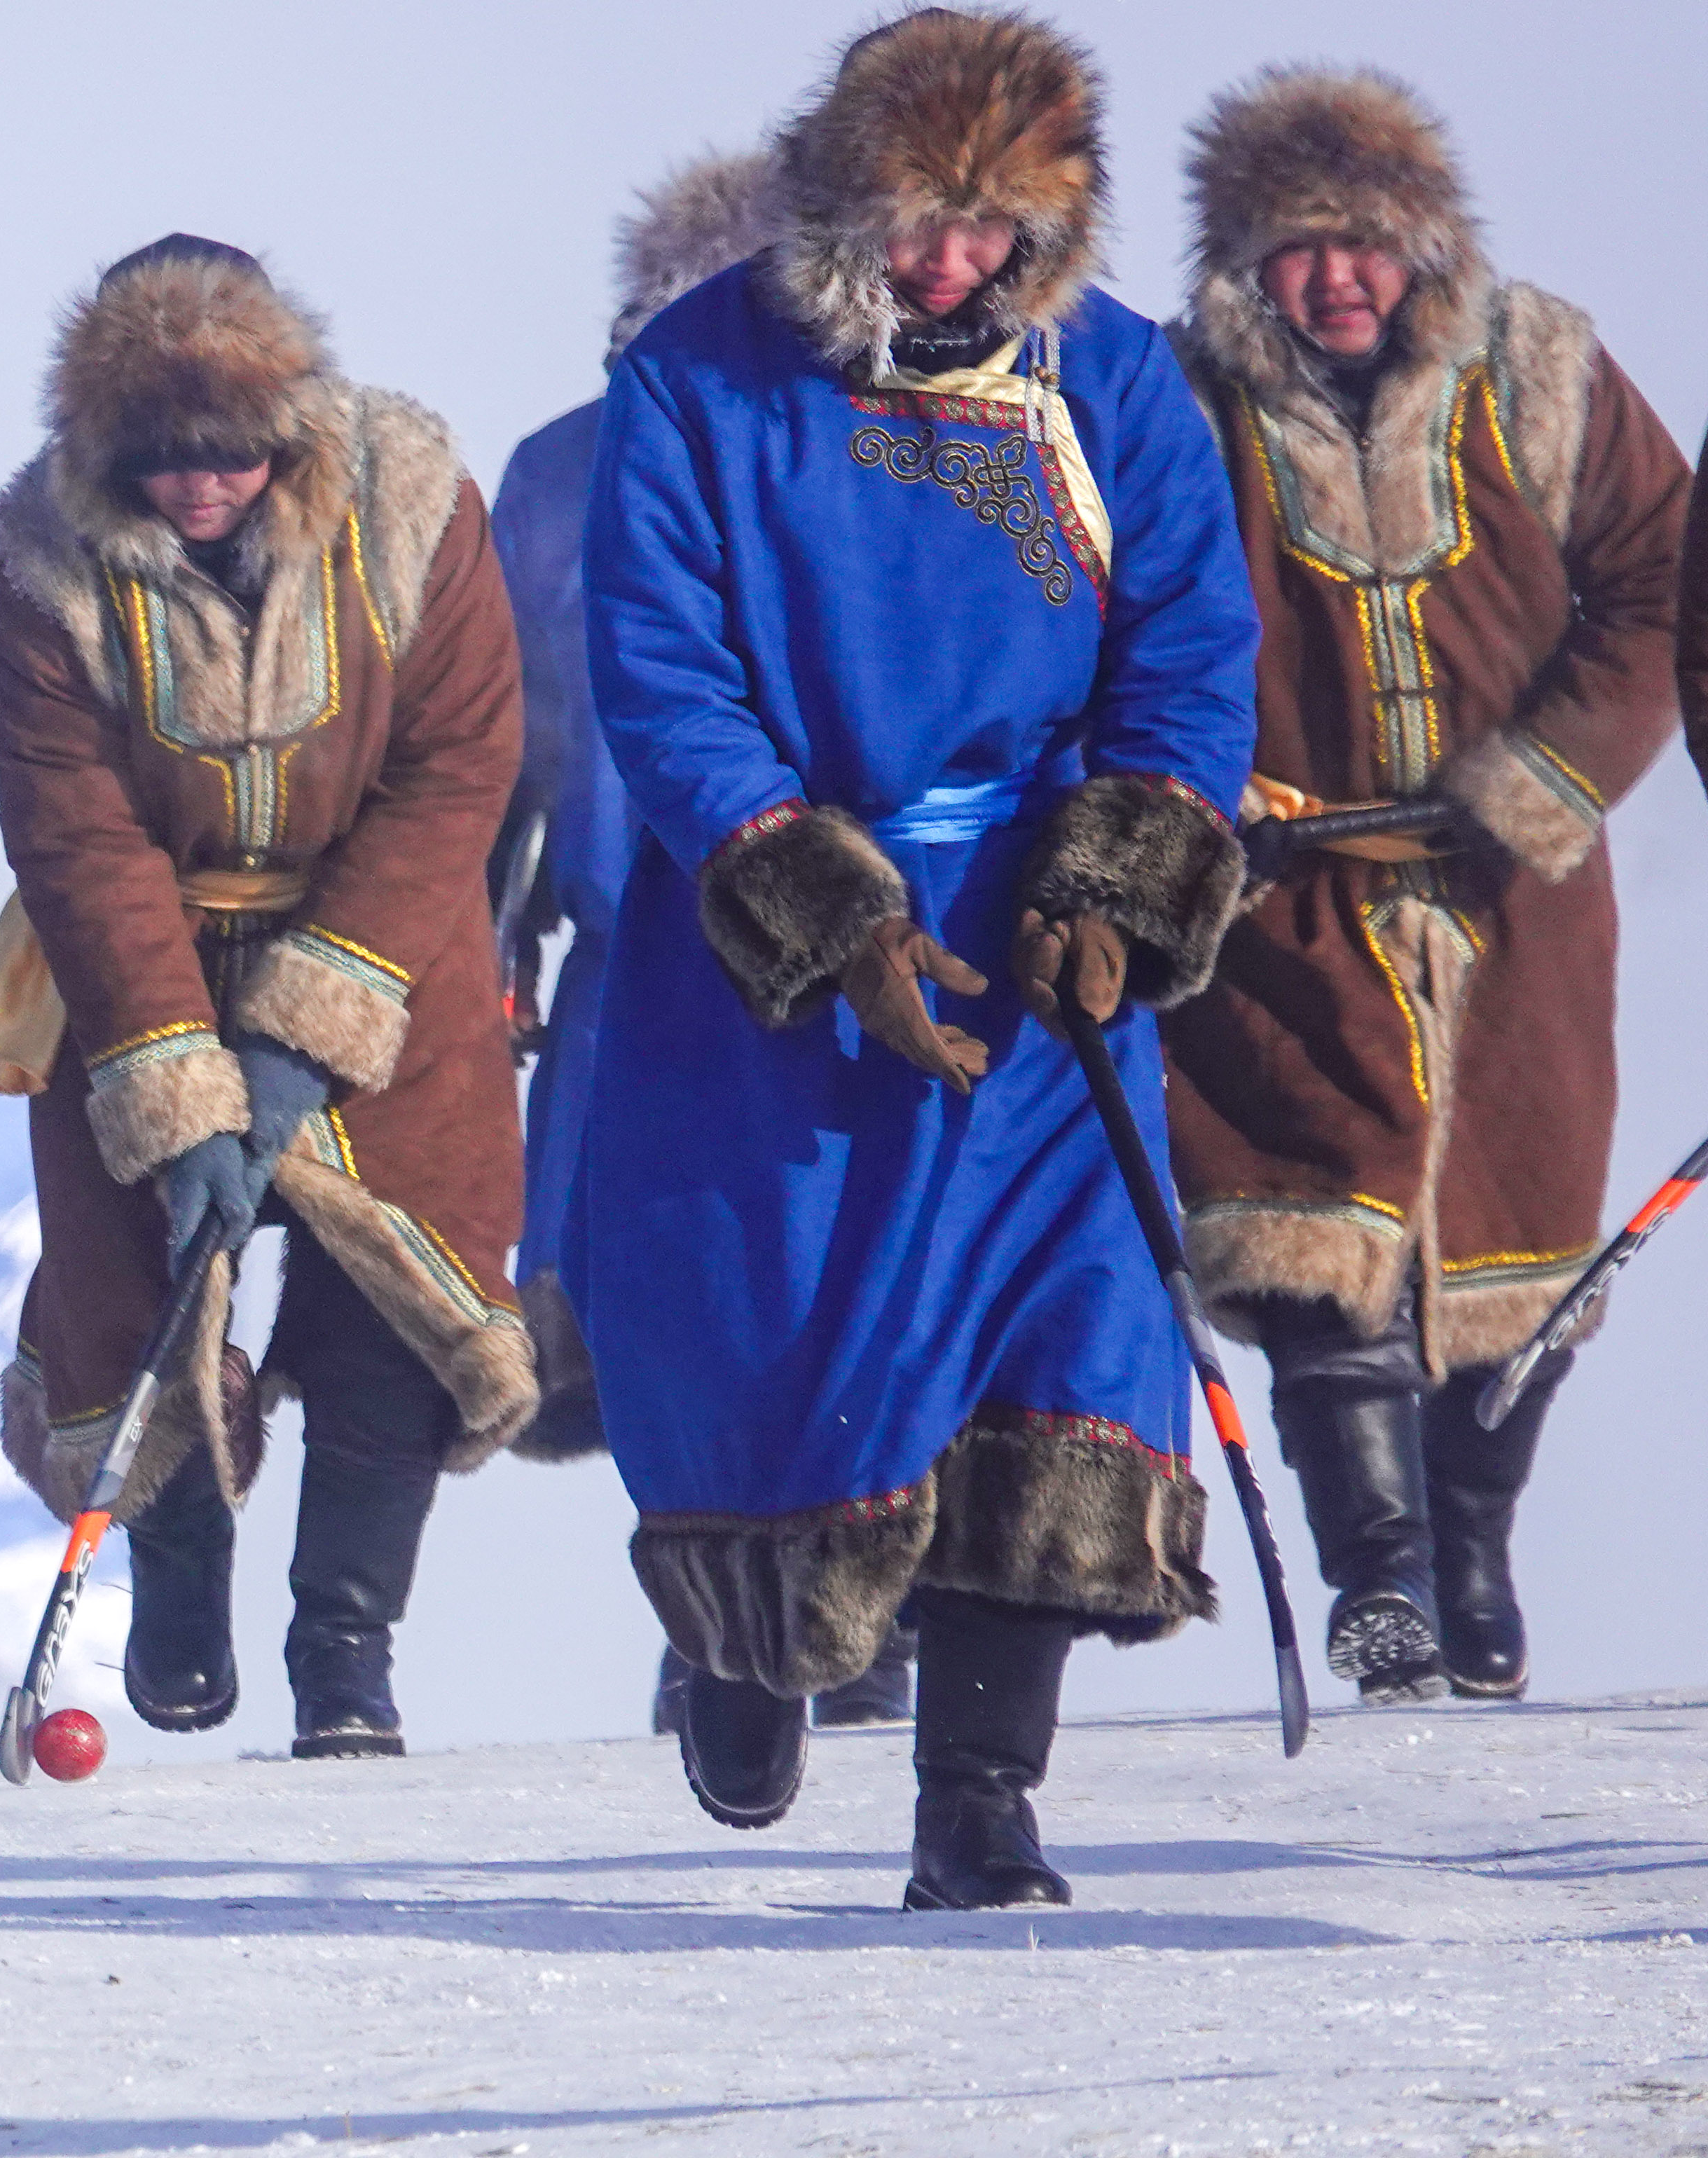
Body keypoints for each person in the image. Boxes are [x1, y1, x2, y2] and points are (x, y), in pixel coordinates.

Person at [581, 9, 1260, 1910]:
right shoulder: (699, 384)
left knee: (1053, 1350)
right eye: (912, 223)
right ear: (836, 205)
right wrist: (821, 901)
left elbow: (1189, 655)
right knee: (778, 1341)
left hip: (1043, 963)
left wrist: (1119, 881)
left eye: (987, 231)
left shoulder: (1115, 388)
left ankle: (980, 1800)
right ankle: (746, 1641)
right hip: (778, 965)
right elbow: (663, 668)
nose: (945, 265)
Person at [1161, 68, 1690, 1707]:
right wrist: (1193, 775)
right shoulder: (1181, 403)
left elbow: (1661, 586)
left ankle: (1473, 1551)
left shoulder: (1543, 372)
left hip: (1515, 897)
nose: (1335, 280)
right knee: (1320, 1235)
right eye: (1298, 249)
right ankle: (1377, 1581)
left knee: (1515, 1246)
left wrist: (1543, 780)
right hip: (1287, 889)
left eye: (1366, 246)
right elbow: (1128, 609)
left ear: (1425, 251)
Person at [0, 235, 537, 1762]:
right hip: (134, 957)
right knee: (137, 1285)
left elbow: (456, 770)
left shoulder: (416, 510)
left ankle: (344, 1643)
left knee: (392, 1295)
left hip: (388, 952)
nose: (198, 489)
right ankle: (177, 1567)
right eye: (159, 462)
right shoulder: (43, 562)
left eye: (226, 457)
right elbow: (76, 831)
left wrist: (301, 1037)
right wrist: (175, 1079)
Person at [484, 151, 922, 1736]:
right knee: (655, 1313)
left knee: (849, 1292)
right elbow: (498, 734)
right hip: (635, 962)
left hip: (850, 952)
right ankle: (721, 1630)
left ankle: (866, 1620)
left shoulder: (871, 454)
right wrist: (490, 937)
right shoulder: (554, 473)